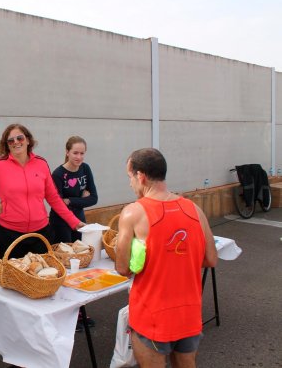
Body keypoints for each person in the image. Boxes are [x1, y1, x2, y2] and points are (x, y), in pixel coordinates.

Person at [115, 148, 217, 368]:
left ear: (140, 176)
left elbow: (123, 268)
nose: (130, 183)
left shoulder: (133, 212)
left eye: (130, 177)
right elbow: (211, 259)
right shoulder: (194, 209)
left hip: (151, 315)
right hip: (188, 312)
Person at [0, 123, 85, 259]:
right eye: (11, 140)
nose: (16, 142)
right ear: (6, 144)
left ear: (27, 140)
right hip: (10, 234)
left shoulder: (41, 163)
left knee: (42, 276)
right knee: (12, 277)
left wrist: (74, 221)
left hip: (41, 233)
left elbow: (53, 197)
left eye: (19, 138)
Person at [50, 136, 98, 243]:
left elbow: (94, 198)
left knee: (80, 253)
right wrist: (82, 199)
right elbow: (59, 204)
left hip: (80, 219)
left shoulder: (85, 168)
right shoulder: (58, 174)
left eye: (82, 153)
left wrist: (70, 200)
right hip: (60, 222)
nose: (79, 157)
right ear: (67, 152)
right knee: (65, 255)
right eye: (75, 153)